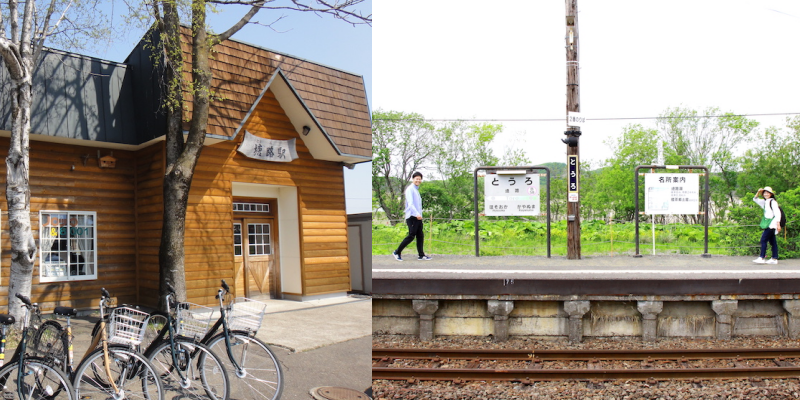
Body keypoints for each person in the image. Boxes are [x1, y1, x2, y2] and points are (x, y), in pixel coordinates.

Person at [392, 171, 432, 261]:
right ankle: (397, 252)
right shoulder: (410, 189)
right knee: (411, 235)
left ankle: (421, 255)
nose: (418, 180)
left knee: (420, 235)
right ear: (413, 179)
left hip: (418, 217)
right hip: (412, 216)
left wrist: (419, 215)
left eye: (420, 179)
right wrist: (417, 214)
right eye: (416, 178)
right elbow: (410, 204)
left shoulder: (416, 190)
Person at [753, 187, 781, 264]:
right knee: (772, 242)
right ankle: (774, 258)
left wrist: (778, 224)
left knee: (763, 240)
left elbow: (777, 213)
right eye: (764, 193)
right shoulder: (765, 202)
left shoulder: (773, 202)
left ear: (771, 194)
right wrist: (758, 192)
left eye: (767, 193)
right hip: (769, 223)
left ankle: (762, 257)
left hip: (772, 224)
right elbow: (755, 199)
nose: (766, 194)